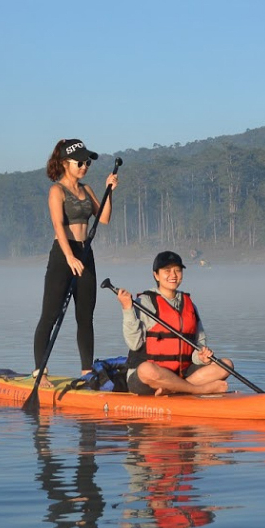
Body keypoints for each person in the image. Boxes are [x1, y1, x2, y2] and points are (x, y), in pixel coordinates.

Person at [33, 139, 118, 385]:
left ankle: (86, 372)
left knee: (85, 316)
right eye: (79, 162)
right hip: (63, 254)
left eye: (87, 162)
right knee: (50, 315)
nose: (84, 166)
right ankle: (40, 372)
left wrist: (109, 191)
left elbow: (104, 219)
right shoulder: (56, 191)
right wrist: (69, 256)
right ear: (64, 163)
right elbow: (58, 225)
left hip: (85, 252)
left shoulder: (87, 189)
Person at [115, 251, 230, 396]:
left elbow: (198, 343)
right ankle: (199, 389)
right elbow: (134, 344)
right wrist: (127, 308)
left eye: (177, 270)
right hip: (150, 377)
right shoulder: (144, 302)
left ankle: (173, 389)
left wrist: (200, 357)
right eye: (167, 270)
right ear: (156, 275)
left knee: (226, 365)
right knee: (146, 370)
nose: (173, 275)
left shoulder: (189, 305)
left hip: (182, 373)